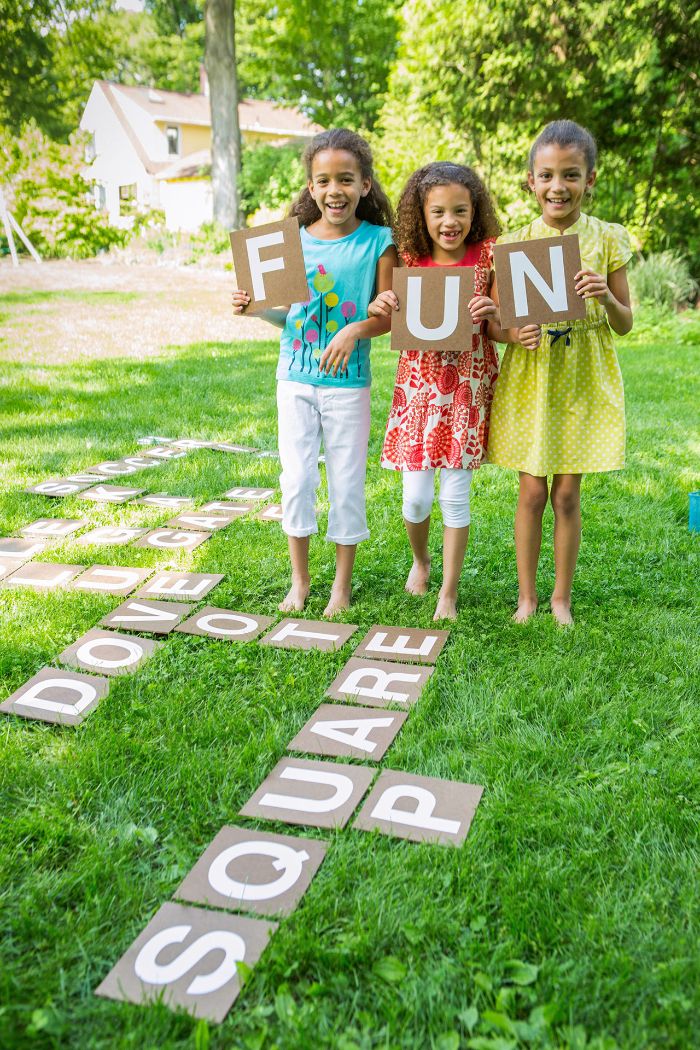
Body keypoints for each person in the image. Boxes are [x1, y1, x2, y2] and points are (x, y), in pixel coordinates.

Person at [232, 128, 397, 615]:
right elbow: (291, 317)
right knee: (297, 481)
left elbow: (386, 317)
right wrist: (256, 311)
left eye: (345, 179)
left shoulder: (378, 242)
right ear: (310, 186)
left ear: (365, 184)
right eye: (323, 181)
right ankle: (300, 581)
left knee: (346, 483)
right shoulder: (293, 244)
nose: (334, 190)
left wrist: (352, 332)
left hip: (348, 386)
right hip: (296, 379)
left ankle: (341, 587)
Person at [486, 120, 634, 626]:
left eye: (570, 175)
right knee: (531, 491)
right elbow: (498, 324)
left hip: (582, 379)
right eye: (547, 176)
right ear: (531, 180)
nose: (558, 187)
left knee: (567, 493)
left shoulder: (608, 239)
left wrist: (605, 295)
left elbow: (625, 323)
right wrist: (510, 334)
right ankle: (527, 597)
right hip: (534, 377)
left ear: (590, 178)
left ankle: (560, 598)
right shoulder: (515, 242)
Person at [369, 162, 500, 620]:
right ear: (421, 215)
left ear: (474, 211)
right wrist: (381, 301)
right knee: (416, 497)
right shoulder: (408, 257)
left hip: (465, 388)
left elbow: (500, 330)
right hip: (420, 390)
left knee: (455, 494)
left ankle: (448, 589)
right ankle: (421, 559)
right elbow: (384, 311)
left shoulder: (488, 255)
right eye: (439, 212)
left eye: (461, 211)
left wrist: (492, 316)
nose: (450, 222)